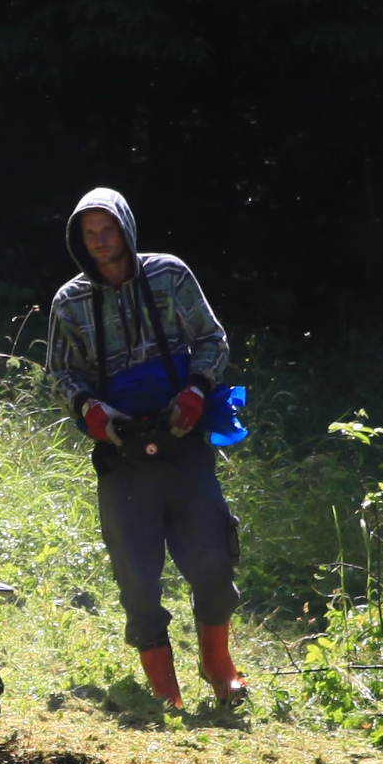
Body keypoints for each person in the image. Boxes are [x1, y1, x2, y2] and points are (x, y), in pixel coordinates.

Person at [44, 187, 247, 709]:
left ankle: (218, 667)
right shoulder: (68, 301)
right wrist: (89, 408)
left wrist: (197, 391)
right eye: (89, 234)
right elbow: (61, 372)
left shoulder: (170, 274)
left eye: (108, 230)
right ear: (79, 239)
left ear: (126, 228)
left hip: (185, 439)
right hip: (120, 452)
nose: (100, 242)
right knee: (135, 577)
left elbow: (212, 339)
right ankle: (164, 691)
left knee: (213, 560)